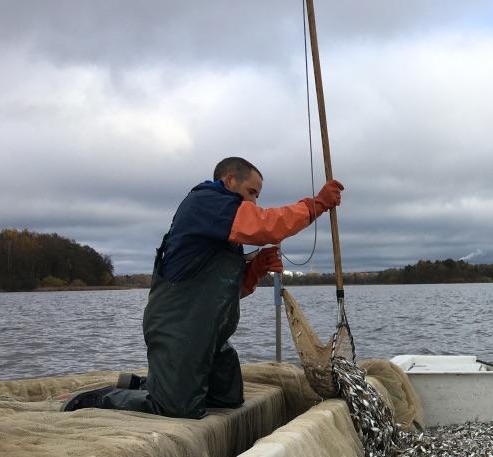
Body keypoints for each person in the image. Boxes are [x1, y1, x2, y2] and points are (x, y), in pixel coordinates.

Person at [62, 157, 343, 418]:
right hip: (177, 328)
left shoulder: (225, 230)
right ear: (230, 181)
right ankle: (98, 400)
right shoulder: (207, 202)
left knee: (228, 398)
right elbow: (267, 226)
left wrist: (256, 269)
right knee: (179, 409)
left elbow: (230, 292)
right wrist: (315, 205)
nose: (255, 202)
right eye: (252, 192)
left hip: (209, 334)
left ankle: (151, 383)